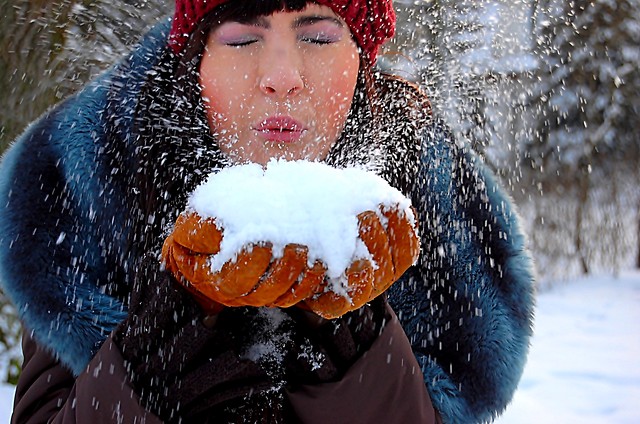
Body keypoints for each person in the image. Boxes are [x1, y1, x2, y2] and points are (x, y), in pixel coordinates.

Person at [0, 0, 535, 423]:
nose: (282, 76)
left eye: (319, 36)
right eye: (241, 37)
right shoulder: (94, 190)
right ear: (197, 63)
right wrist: (171, 330)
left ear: (360, 60)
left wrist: (356, 338)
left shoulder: (428, 205)